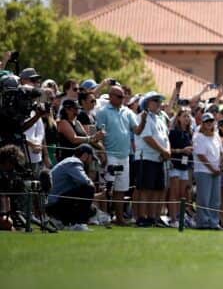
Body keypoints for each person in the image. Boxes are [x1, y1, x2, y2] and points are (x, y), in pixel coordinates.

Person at [94, 85, 135, 225]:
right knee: (107, 187)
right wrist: (102, 152)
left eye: (123, 97)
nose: (122, 99)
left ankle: (119, 218)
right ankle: (103, 217)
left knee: (121, 188)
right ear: (110, 96)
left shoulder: (127, 112)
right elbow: (98, 134)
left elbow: (137, 129)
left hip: (124, 155)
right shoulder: (102, 112)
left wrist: (146, 118)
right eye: (119, 96)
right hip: (110, 154)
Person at [136, 93, 170, 228]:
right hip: (146, 157)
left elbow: (166, 138)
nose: (159, 103)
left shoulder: (159, 119)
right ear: (147, 103)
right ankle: (142, 217)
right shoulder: (142, 118)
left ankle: (153, 217)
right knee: (145, 189)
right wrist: (163, 151)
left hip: (159, 159)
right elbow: (147, 138)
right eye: (155, 100)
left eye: (159, 101)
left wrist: (168, 152)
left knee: (157, 189)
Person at [46, 144, 97, 231]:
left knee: (91, 209)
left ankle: (63, 222)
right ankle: (80, 223)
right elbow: (86, 182)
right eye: (91, 158)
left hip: (55, 203)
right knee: (89, 188)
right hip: (55, 204)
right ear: (85, 155)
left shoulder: (68, 161)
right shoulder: (74, 162)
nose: (91, 161)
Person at [192, 112, 223, 230]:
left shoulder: (216, 136)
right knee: (204, 198)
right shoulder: (198, 136)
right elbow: (201, 155)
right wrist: (213, 168)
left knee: (215, 199)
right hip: (203, 171)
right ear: (202, 123)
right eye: (207, 122)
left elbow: (220, 153)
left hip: (216, 171)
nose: (209, 123)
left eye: (211, 121)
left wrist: (219, 166)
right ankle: (203, 222)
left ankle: (214, 222)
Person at [167, 108, 194, 227]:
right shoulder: (173, 132)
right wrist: (182, 150)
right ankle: (173, 219)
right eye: (184, 116)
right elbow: (168, 150)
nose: (187, 119)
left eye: (188, 116)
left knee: (182, 194)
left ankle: (179, 217)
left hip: (185, 166)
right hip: (174, 165)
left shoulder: (189, 133)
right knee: (174, 193)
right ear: (178, 118)